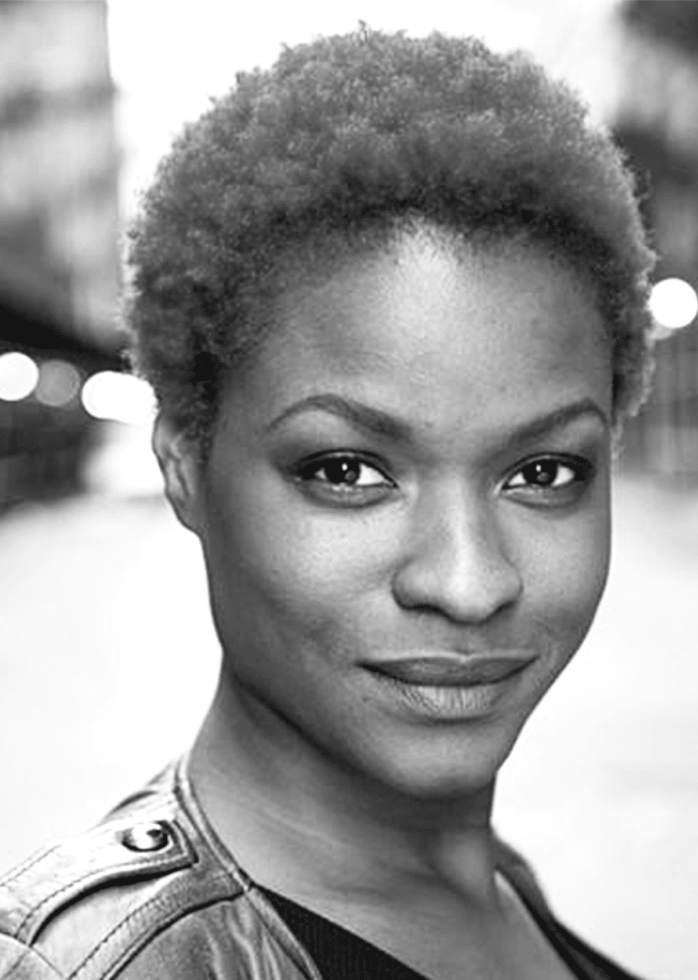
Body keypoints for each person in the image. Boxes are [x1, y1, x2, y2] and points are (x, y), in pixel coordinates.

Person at [0, 28, 655, 980]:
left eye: (543, 472)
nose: (469, 584)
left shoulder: (500, 889)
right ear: (184, 461)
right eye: (347, 470)